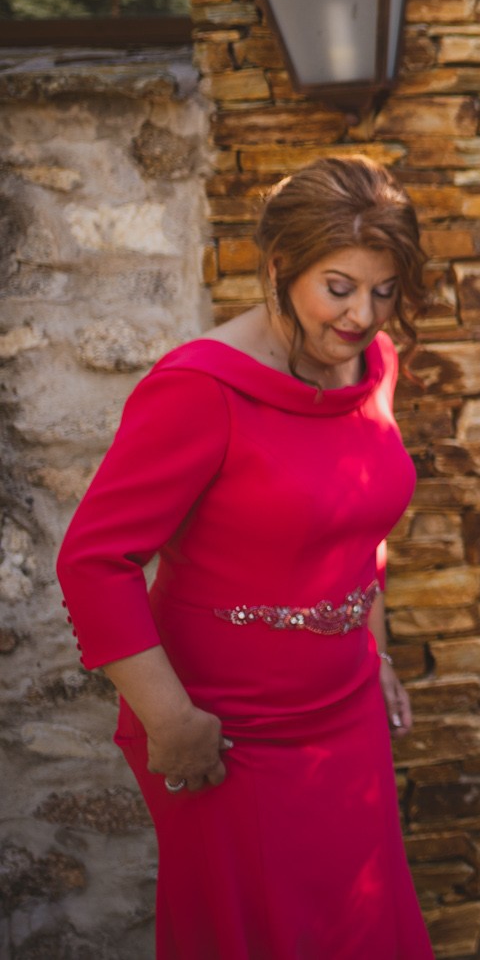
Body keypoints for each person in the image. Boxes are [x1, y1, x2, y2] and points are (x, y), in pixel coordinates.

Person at [55, 155, 434, 959]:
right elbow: (94, 560)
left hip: (346, 711)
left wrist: (378, 648)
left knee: (361, 929)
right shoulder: (200, 389)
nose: (363, 314)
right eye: (339, 286)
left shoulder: (374, 365)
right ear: (279, 266)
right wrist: (171, 719)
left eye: (384, 289)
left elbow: (360, 523)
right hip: (223, 735)